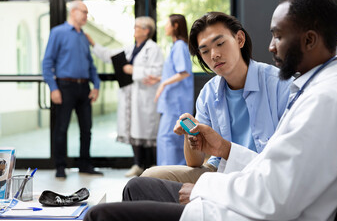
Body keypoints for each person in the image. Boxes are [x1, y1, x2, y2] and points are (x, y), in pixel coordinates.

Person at [83, 0, 337, 221]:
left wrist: (208, 187)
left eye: (277, 36)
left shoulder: (321, 100)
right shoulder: (317, 92)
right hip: (238, 187)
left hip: (242, 208)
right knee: (137, 186)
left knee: (100, 215)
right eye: (204, 51)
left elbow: (275, 195)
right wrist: (217, 150)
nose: (272, 46)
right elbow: (269, 170)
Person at [141, 11, 292, 183]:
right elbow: (195, 162)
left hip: (266, 174)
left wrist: (223, 149)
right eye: (204, 51)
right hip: (220, 171)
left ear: (240, 39)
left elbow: (290, 159)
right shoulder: (208, 93)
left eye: (220, 43)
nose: (214, 55)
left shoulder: (280, 85)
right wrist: (190, 134)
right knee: (148, 179)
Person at [87, 16, 164, 177]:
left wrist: (133, 70)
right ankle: (138, 164)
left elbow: (157, 72)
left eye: (137, 27)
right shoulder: (130, 48)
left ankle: (151, 167)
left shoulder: (153, 49)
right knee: (133, 131)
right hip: (130, 95)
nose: (134, 30)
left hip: (145, 96)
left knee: (147, 132)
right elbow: (110, 56)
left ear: (146, 30)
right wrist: (93, 44)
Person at [42, 0, 102, 178]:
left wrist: (96, 86)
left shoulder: (84, 37)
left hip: (84, 88)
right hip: (64, 86)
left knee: (87, 129)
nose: (86, 16)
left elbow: (91, 65)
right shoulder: (58, 33)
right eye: (84, 12)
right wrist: (53, 88)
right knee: (61, 128)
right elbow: (47, 63)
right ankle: (60, 167)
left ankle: (85, 164)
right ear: (73, 12)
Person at [152, 14, 194, 166]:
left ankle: (167, 176)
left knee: (167, 138)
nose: (165, 27)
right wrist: (158, 80)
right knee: (172, 139)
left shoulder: (180, 46)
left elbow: (184, 72)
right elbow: (174, 72)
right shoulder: (176, 46)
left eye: (167, 23)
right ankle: (172, 173)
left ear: (175, 26)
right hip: (173, 102)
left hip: (176, 102)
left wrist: (163, 85)